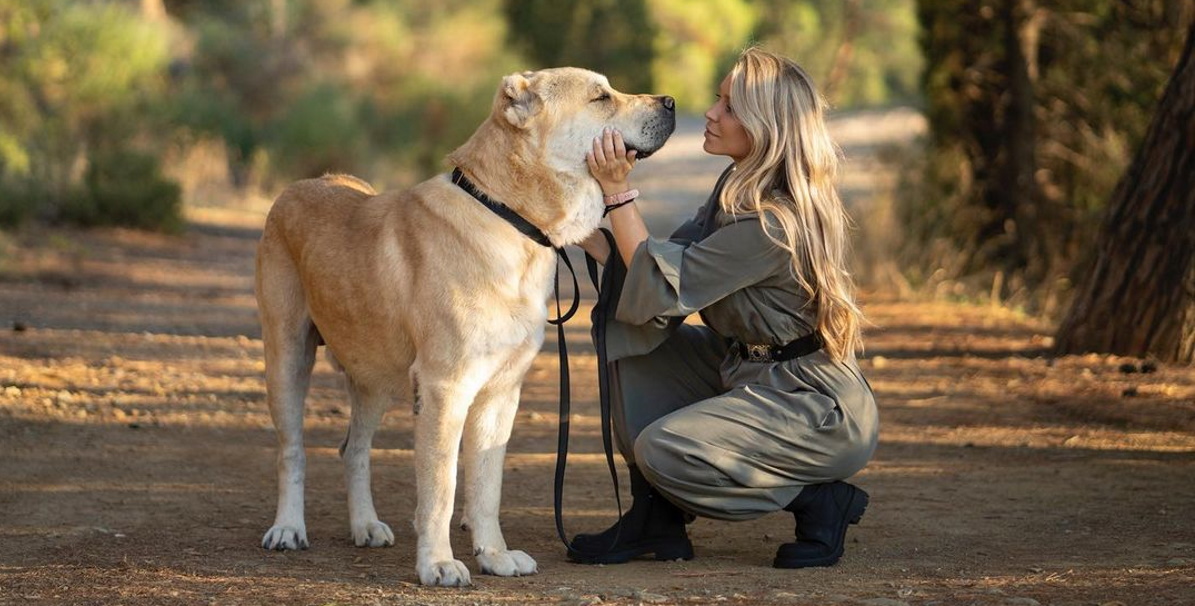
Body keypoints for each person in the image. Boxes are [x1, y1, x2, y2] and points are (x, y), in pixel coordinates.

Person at [569, 47, 879, 569]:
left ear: (766, 125)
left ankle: (818, 500)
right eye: (718, 99)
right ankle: (657, 520)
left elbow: (667, 287)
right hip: (745, 367)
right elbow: (659, 264)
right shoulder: (734, 186)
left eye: (730, 106)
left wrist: (619, 193)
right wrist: (570, 228)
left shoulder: (773, 220)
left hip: (812, 404)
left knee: (666, 450)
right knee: (631, 336)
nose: (711, 114)